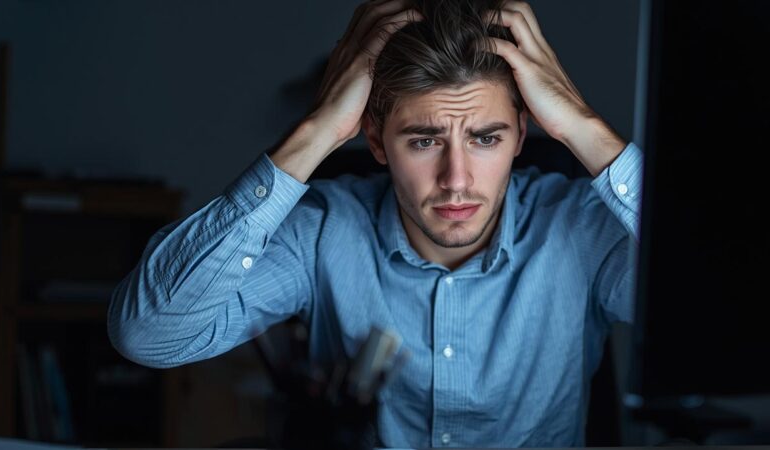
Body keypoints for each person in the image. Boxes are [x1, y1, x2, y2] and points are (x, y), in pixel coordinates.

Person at [108, 0, 641, 447]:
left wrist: (584, 127)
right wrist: (315, 130)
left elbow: (718, 315)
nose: (456, 179)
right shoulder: (324, 229)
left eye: (485, 138)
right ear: (374, 141)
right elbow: (150, 335)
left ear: (522, 138)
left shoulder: (582, 229)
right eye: (424, 140)